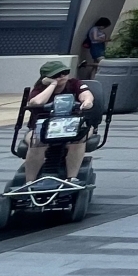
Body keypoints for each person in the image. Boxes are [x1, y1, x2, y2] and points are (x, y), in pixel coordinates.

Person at [20, 57, 94, 185]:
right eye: (57, 75)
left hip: (72, 124)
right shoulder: (39, 89)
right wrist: (52, 84)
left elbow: (86, 94)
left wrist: (87, 101)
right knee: (36, 143)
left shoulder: (74, 83)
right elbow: (37, 102)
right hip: (43, 127)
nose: (62, 76)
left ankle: (72, 178)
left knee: (78, 139)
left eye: (65, 72)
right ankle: (30, 182)